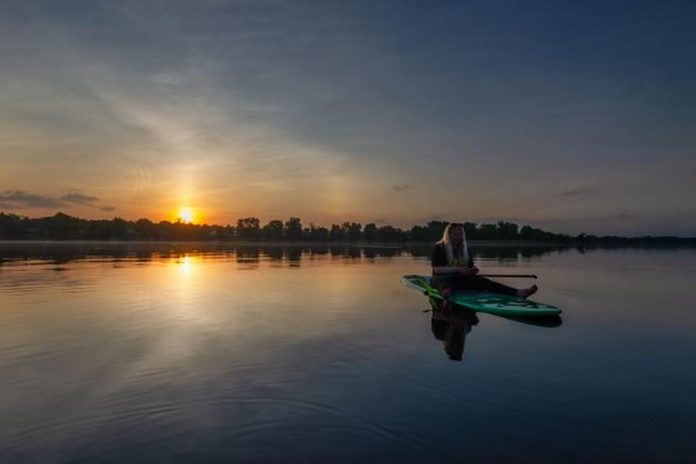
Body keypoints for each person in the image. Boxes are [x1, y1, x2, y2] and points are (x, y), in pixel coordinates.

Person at [431, 222, 537, 303]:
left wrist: (473, 270)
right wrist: (458, 269)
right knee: (445, 284)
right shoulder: (439, 247)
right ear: (448, 235)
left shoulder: (464, 250)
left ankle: (518, 293)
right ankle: (446, 293)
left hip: (459, 279)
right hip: (441, 278)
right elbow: (437, 269)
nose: (458, 237)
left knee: (485, 282)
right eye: (455, 234)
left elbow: (469, 268)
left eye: (460, 234)